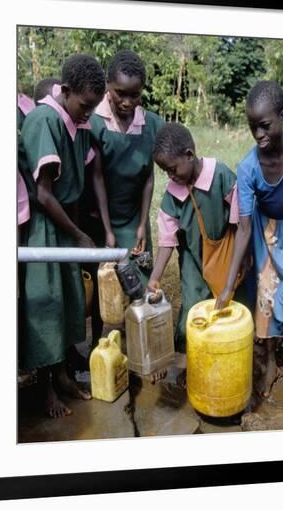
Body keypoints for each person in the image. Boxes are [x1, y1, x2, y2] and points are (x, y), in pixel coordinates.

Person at [18, 54, 110, 418]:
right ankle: (45, 392)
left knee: (69, 303)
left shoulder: (76, 120)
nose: (89, 113)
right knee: (46, 307)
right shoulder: (44, 120)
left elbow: (78, 180)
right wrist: (78, 235)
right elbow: (43, 194)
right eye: (85, 105)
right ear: (66, 91)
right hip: (44, 230)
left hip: (65, 228)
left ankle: (62, 377)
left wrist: (79, 234)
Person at [147, 123, 239, 383]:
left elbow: (241, 220)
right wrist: (155, 277)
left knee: (230, 307)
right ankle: (195, 366)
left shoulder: (220, 175)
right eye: (165, 171)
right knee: (193, 311)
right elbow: (167, 241)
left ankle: (228, 359)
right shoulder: (171, 196)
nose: (170, 176)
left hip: (226, 255)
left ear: (189, 154)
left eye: (173, 169)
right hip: (192, 263)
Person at [85, 50, 164, 350]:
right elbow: (97, 178)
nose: (127, 102)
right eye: (120, 94)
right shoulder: (94, 123)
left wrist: (142, 224)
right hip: (102, 217)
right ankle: (98, 343)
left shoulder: (150, 124)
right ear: (107, 86)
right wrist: (107, 230)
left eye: (135, 95)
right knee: (103, 283)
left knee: (139, 283)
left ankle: (140, 344)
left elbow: (148, 177)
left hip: (135, 217)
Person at [215, 81, 283, 399]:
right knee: (266, 296)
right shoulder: (247, 168)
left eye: (265, 125)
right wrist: (228, 286)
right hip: (265, 231)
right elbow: (243, 227)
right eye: (252, 127)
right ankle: (270, 358)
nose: (259, 135)